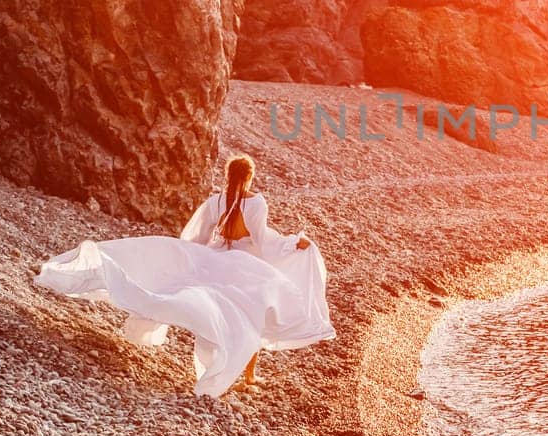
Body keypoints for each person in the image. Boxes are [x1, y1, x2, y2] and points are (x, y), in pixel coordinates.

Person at [35, 154, 333, 395]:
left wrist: (191, 261)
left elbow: (200, 238)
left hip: (216, 256)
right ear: (250, 176)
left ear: (228, 175)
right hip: (245, 264)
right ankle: (248, 376)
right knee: (252, 317)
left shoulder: (216, 200)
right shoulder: (256, 202)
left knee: (213, 309)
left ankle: (234, 369)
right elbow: (262, 240)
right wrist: (293, 243)